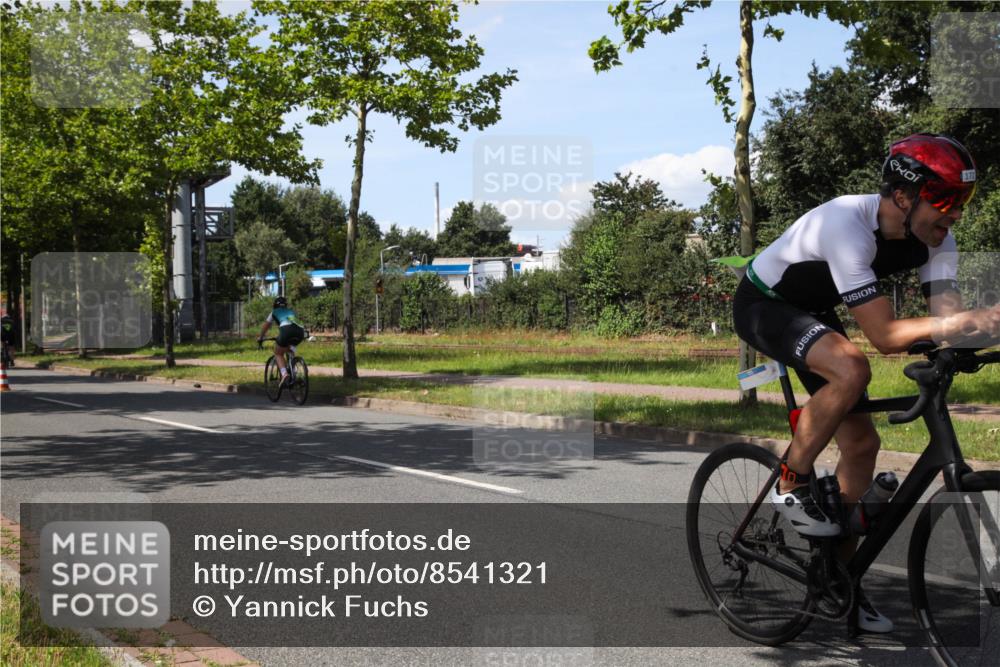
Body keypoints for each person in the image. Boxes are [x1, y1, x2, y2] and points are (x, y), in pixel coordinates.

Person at [732, 133, 1000, 633]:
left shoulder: (937, 239)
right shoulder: (845, 225)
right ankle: (791, 483)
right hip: (764, 305)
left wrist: (976, 332)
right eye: (945, 201)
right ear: (903, 196)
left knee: (862, 444)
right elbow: (885, 336)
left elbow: (947, 319)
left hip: (813, 310)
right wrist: (962, 324)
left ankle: (837, 578)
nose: (955, 215)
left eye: (962, 202)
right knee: (852, 367)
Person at [256, 296, 306, 386]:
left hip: (286, 330)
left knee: (278, 353)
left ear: (275, 305)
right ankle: (294, 373)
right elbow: (293, 323)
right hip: (300, 331)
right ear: (285, 305)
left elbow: (266, 326)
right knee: (290, 349)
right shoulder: (290, 311)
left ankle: (284, 374)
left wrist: (260, 337)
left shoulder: (273, 312)